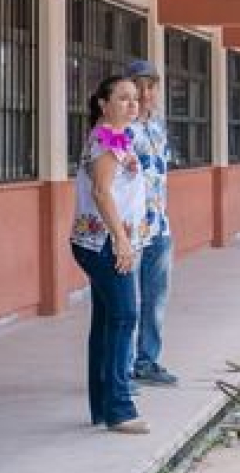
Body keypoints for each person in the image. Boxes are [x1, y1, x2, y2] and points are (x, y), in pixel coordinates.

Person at [71, 75, 150, 434]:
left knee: (107, 323)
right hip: (103, 243)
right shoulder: (105, 140)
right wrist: (120, 239)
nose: (132, 104)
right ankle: (119, 407)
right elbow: (103, 192)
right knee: (124, 317)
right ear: (103, 104)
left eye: (135, 98)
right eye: (122, 98)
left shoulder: (120, 138)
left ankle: (103, 405)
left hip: (105, 241)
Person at [126, 59, 178, 387]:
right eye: (139, 86)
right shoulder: (120, 130)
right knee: (127, 302)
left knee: (156, 298)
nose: (145, 94)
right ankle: (124, 369)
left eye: (151, 87)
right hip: (131, 228)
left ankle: (148, 361)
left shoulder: (157, 127)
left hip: (159, 225)